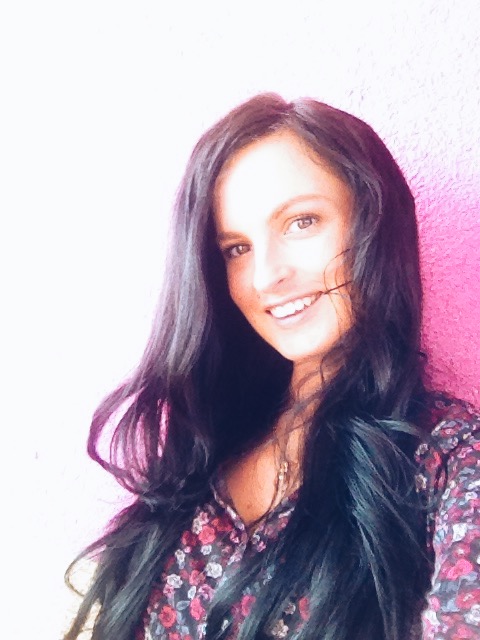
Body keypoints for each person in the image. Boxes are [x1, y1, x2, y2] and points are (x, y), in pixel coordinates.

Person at [64, 94, 480, 640]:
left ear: (374, 226)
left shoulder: (452, 460)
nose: (266, 277)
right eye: (236, 248)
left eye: (301, 222)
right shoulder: (204, 449)